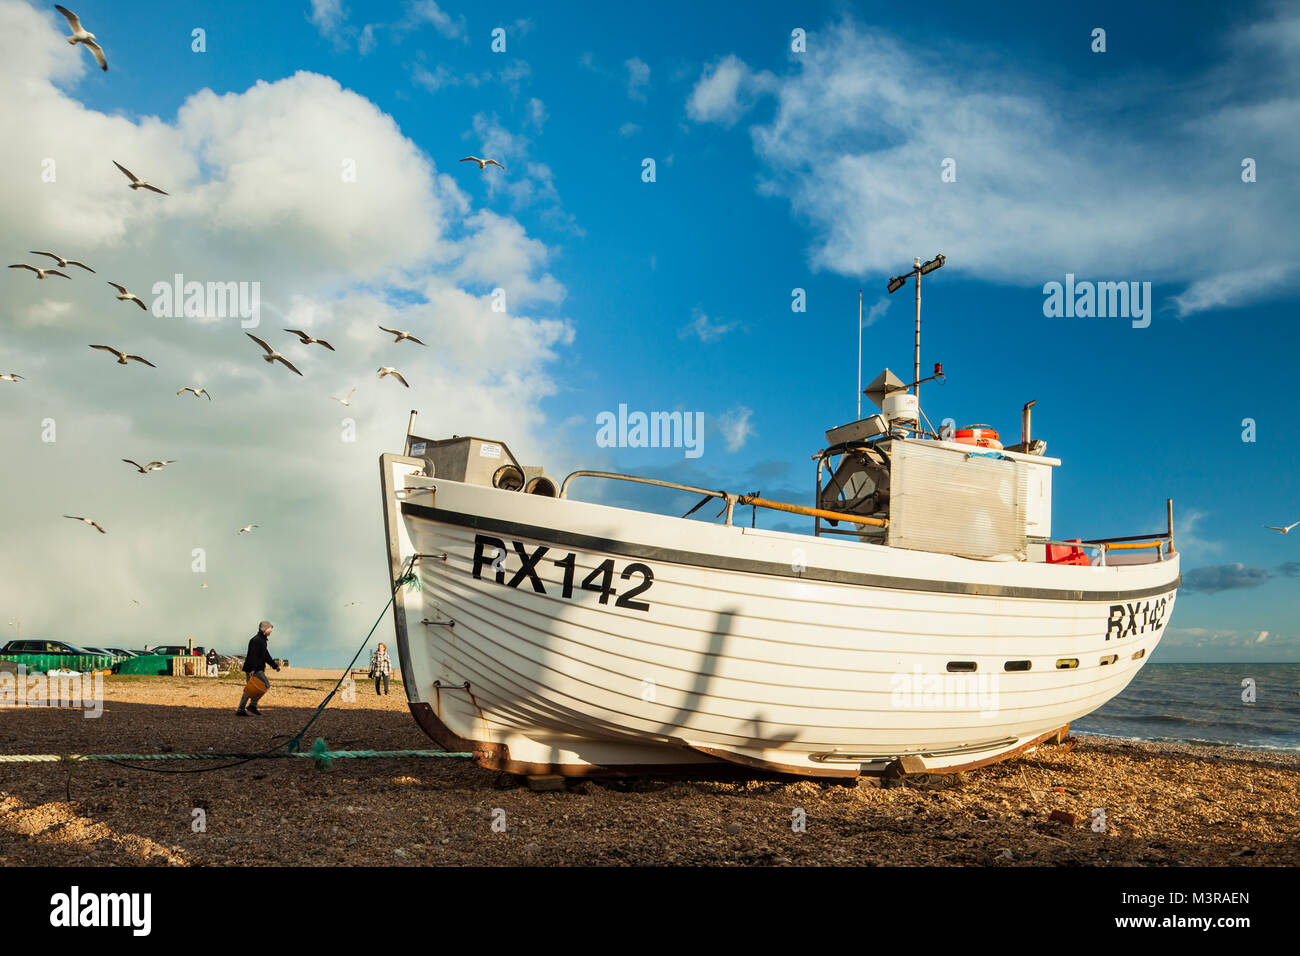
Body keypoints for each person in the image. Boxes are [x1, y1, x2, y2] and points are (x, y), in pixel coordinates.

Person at [236, 621, 280, 716]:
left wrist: (274, 665)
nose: (271, 630)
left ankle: (241, 709)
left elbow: (266, 655)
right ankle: (252, 705)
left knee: (250, 689)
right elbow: (253, 655)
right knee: (265, 685)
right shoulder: (256, 640)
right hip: (254, 669)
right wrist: (252, 669)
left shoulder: (262, 640)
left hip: (255, 668)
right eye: (270, 628)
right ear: (264, 629)